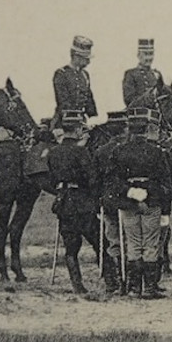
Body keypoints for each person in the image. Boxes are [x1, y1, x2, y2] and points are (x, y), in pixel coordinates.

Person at [100, 105, 172, 298]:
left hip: (128, 203)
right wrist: (149, 193)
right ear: (146, 129)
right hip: (152, 202)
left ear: (129, 129)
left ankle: (134, 288)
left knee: (133, 244)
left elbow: (111, 180)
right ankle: (150, 288)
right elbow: (166, 183)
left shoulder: (119, 152)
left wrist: (130, 191)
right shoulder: (157, 152)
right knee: (150, 244)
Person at [44, 109, 103, 295]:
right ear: (77, 130)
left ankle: (77, 284)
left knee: (71, 247)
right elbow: (92, 178)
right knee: (99, 242)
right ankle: (111, 280)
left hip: (64, 203)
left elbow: (51, 180)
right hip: (83, 202)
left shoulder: (53, 153)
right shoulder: (82, 152)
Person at [52, 34, 97, 130]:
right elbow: (63, 102)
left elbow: (89, 100)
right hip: (64, 123)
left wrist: (93, 118)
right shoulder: (61, 74)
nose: (88, 62)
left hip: (82, 122)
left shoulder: (85, 75)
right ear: (76, 56)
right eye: (86, 58)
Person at [121, 37, 166, 110]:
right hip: (139, 115)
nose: (149, 58)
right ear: (138, 55)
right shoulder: (131, 74)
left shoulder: (157, 74)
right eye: (145, 54)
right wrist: (149, 96)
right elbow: (129, 100)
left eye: (151, 54)